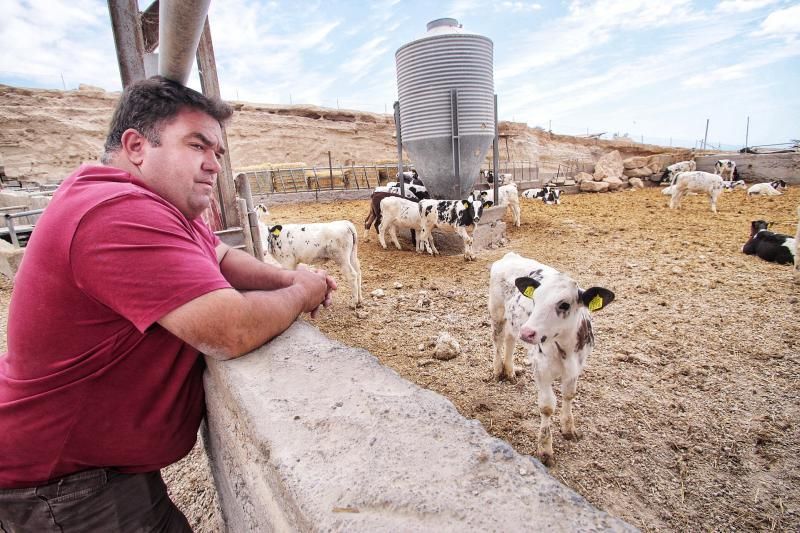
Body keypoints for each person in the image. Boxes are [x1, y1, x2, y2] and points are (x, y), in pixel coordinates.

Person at [0, 76, 336, 532]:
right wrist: (301, 293)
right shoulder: (116, 211)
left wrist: (288, 275)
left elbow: (220, 257)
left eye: (217, 152)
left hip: (92, 464)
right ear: (137, 146)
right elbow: (229, 330)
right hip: (62, 482)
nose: (213, 164)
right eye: (197, 145)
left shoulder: (160, 205)